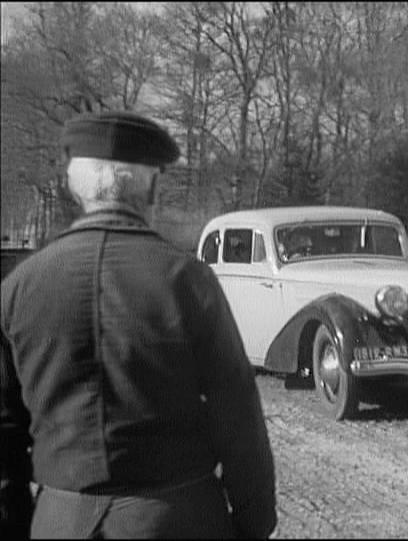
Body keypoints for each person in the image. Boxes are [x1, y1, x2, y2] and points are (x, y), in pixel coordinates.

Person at [1, 111, 277, 539]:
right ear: (149, 187)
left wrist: (17, 520)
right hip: (176, 517)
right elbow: (237, 413)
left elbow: (4, 425)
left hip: (61, 519)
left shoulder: (20, 286)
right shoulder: (186, 279)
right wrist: (253, 520)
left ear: (77, 189)